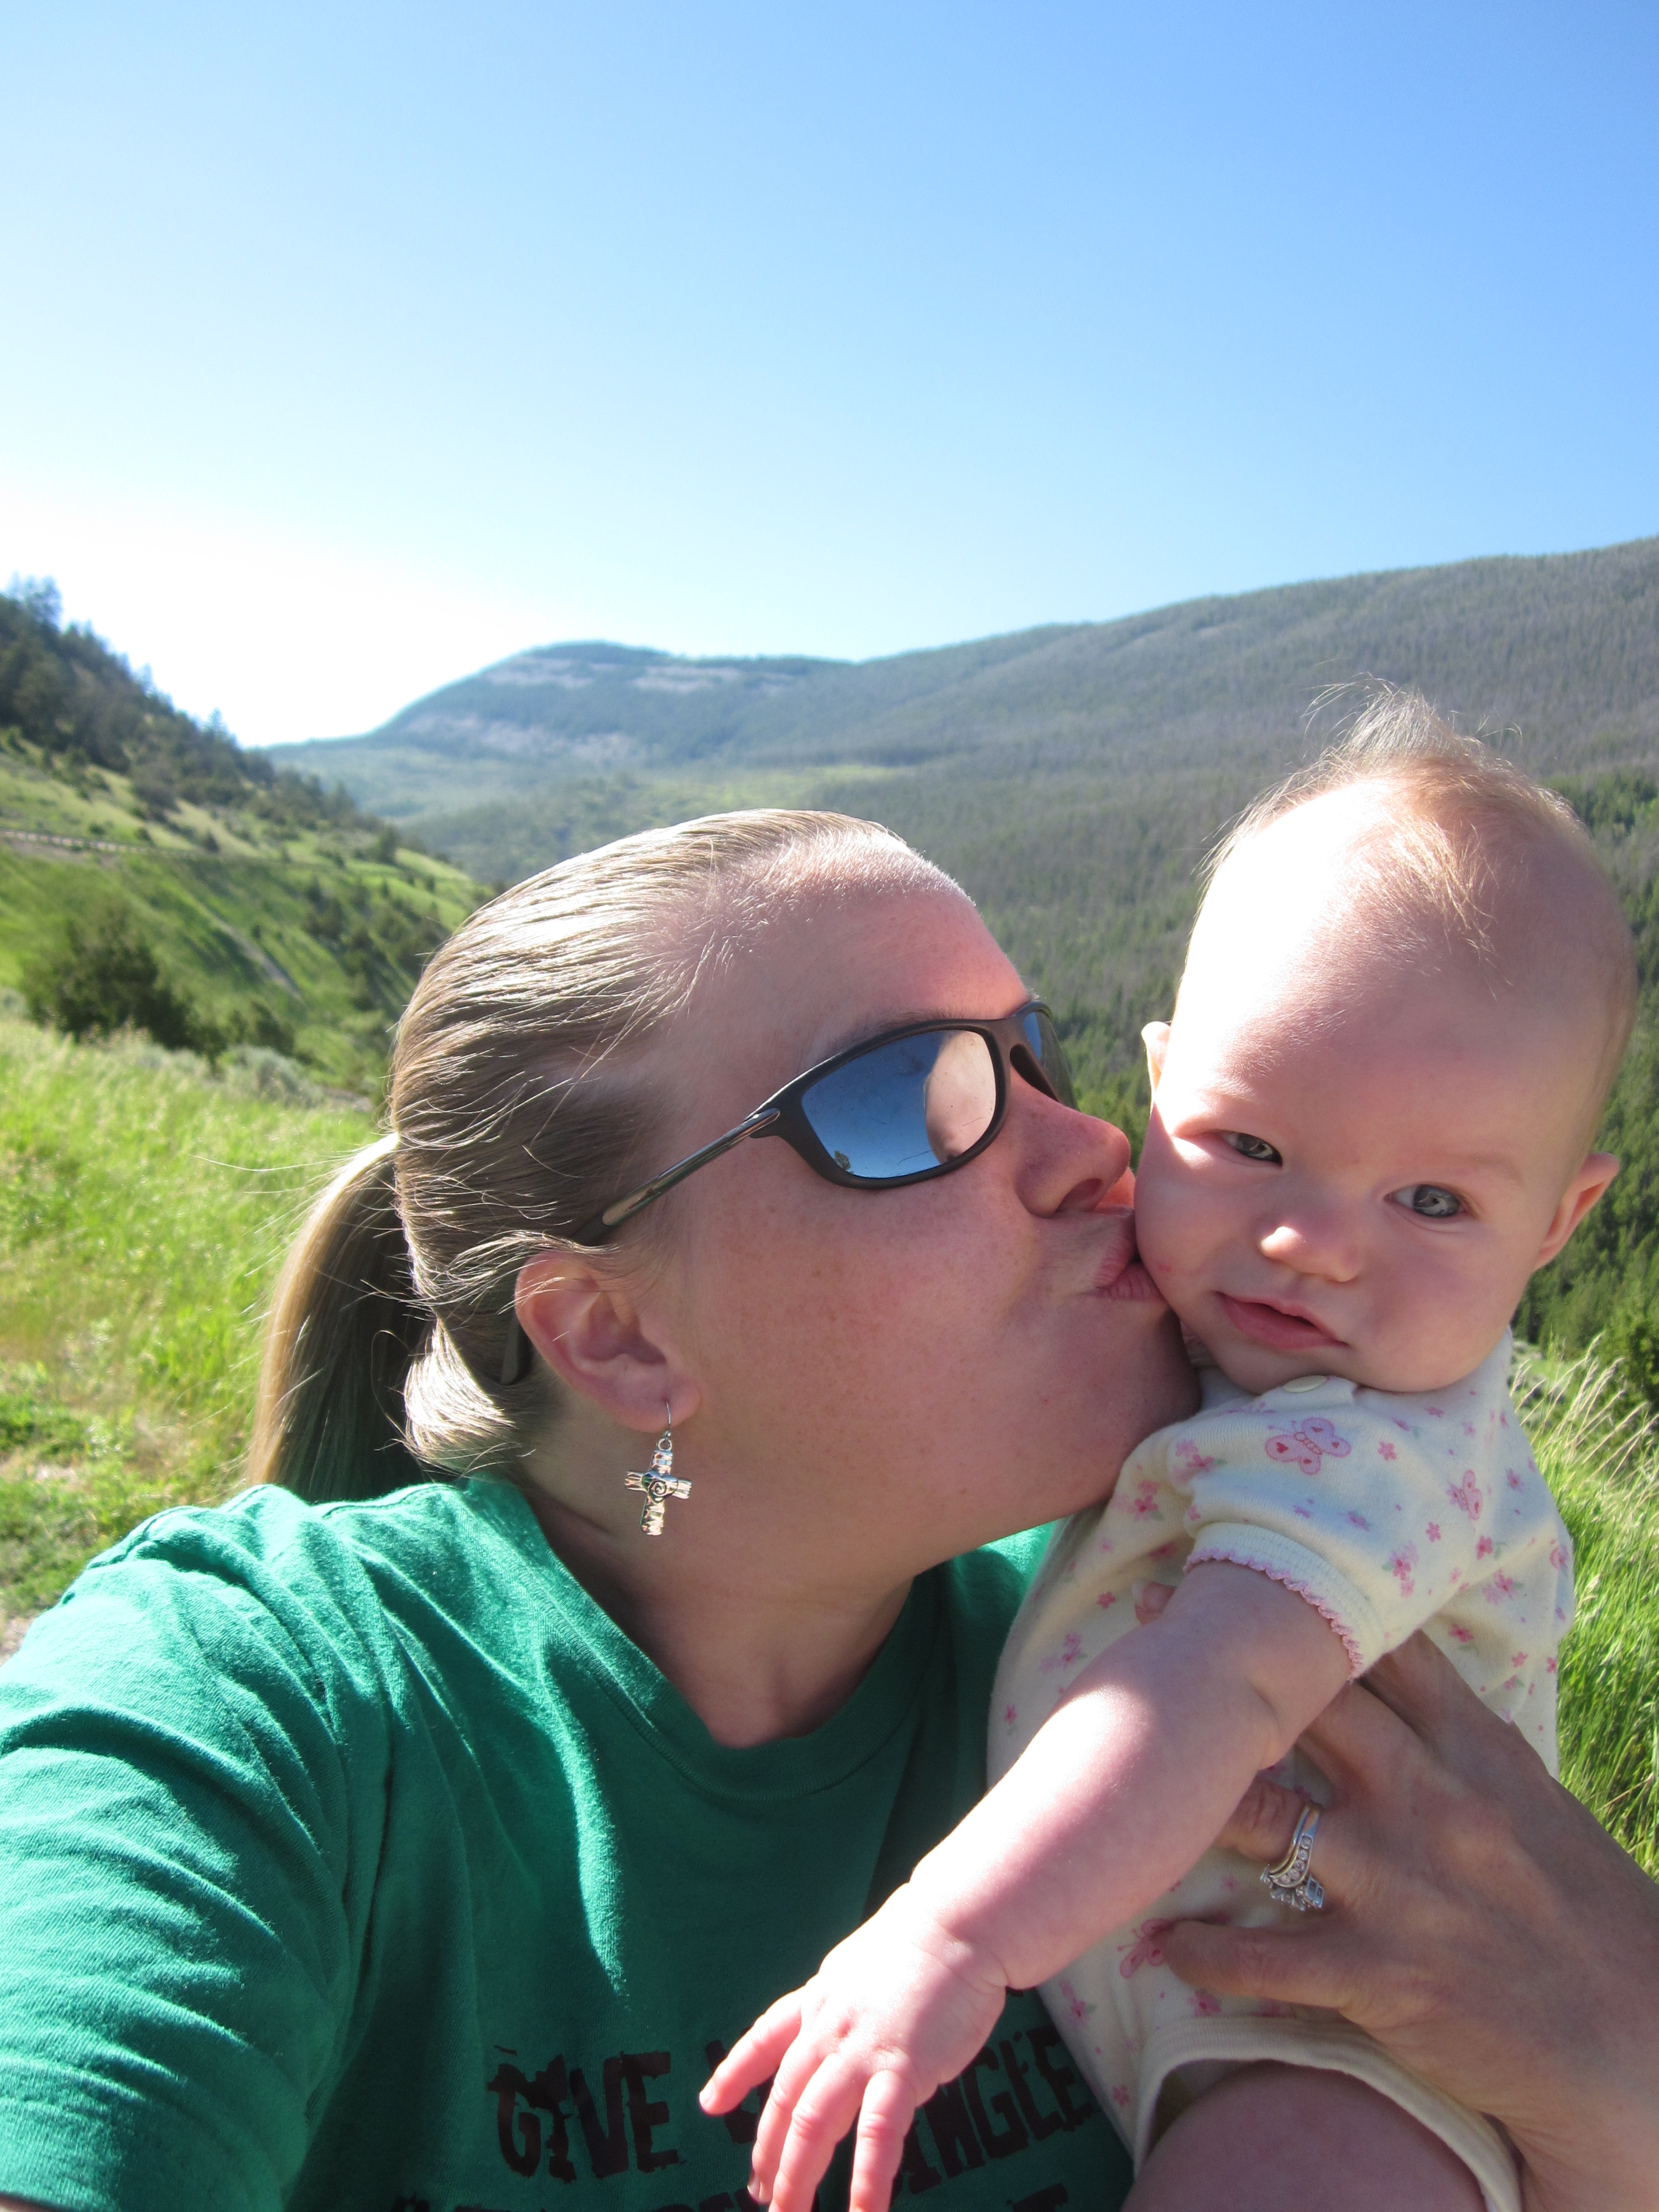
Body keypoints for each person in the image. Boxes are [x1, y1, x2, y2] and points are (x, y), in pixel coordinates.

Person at [0, 807, 1653, 2212]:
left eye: (1038, 1058)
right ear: (619, 1333)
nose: (1096, 1152)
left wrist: (1615, 2074)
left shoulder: (1145, 1630)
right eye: (918, 1102)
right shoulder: (264, 1702)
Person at [701, 711, 1639, 2212]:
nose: (1308, 1243)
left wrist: (951, 1933)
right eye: (1251, 1148)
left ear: (1560, 1225)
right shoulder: (1252, 1380)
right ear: (1157, 1087)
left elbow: (1205, 1693)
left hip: (1355, 2071)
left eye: (1431, 1202)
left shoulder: (1369, 1455)